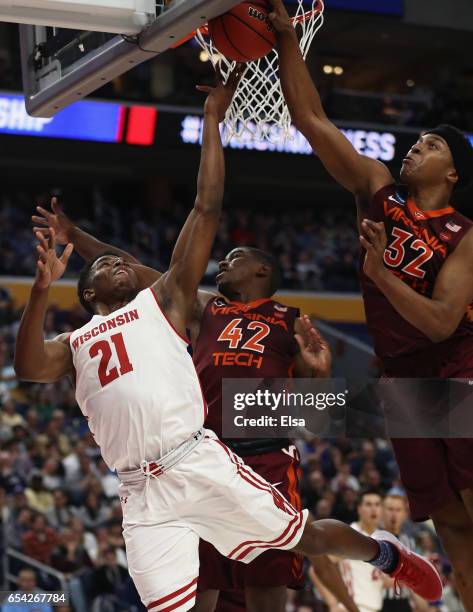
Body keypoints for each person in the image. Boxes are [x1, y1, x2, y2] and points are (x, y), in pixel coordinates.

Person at [18, 74, 442, 612]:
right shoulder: (194, 305)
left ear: (265, 269)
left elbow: (313, 413)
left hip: (246, 437)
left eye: (237, 257)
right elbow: (133, 265)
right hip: (196, 441)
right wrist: (75, 240)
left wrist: (315, 377)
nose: (225, 261)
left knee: (336, 439)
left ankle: (423, 467)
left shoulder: (288, 319)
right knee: (207, 593)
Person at [268, 0, 473, 606]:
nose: (415, 147)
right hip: (403, 380)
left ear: (454, 172)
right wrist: (286, 40)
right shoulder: (378, 190)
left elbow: (440, 324)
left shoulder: (464, 234)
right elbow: (309, 117)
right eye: (416, 140)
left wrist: (380, 274)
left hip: (456, 369)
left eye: (430, 144)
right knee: (453, 527)